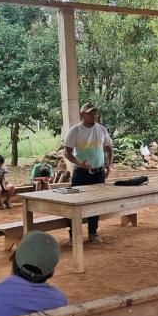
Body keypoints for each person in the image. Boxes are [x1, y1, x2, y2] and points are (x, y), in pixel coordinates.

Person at [63, 102, 114, 243]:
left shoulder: (102, 129)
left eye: (95, 113)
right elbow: (67, 152)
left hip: (98, 173)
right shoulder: (75, 131)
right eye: (90, 113)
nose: (94, 116)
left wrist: (109, 165)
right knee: (75, 203)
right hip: (80, 173)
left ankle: (93, 233)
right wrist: (80, 164)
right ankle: (74, 235)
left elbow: (109, 149)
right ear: (82, 115)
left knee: (95, 204)